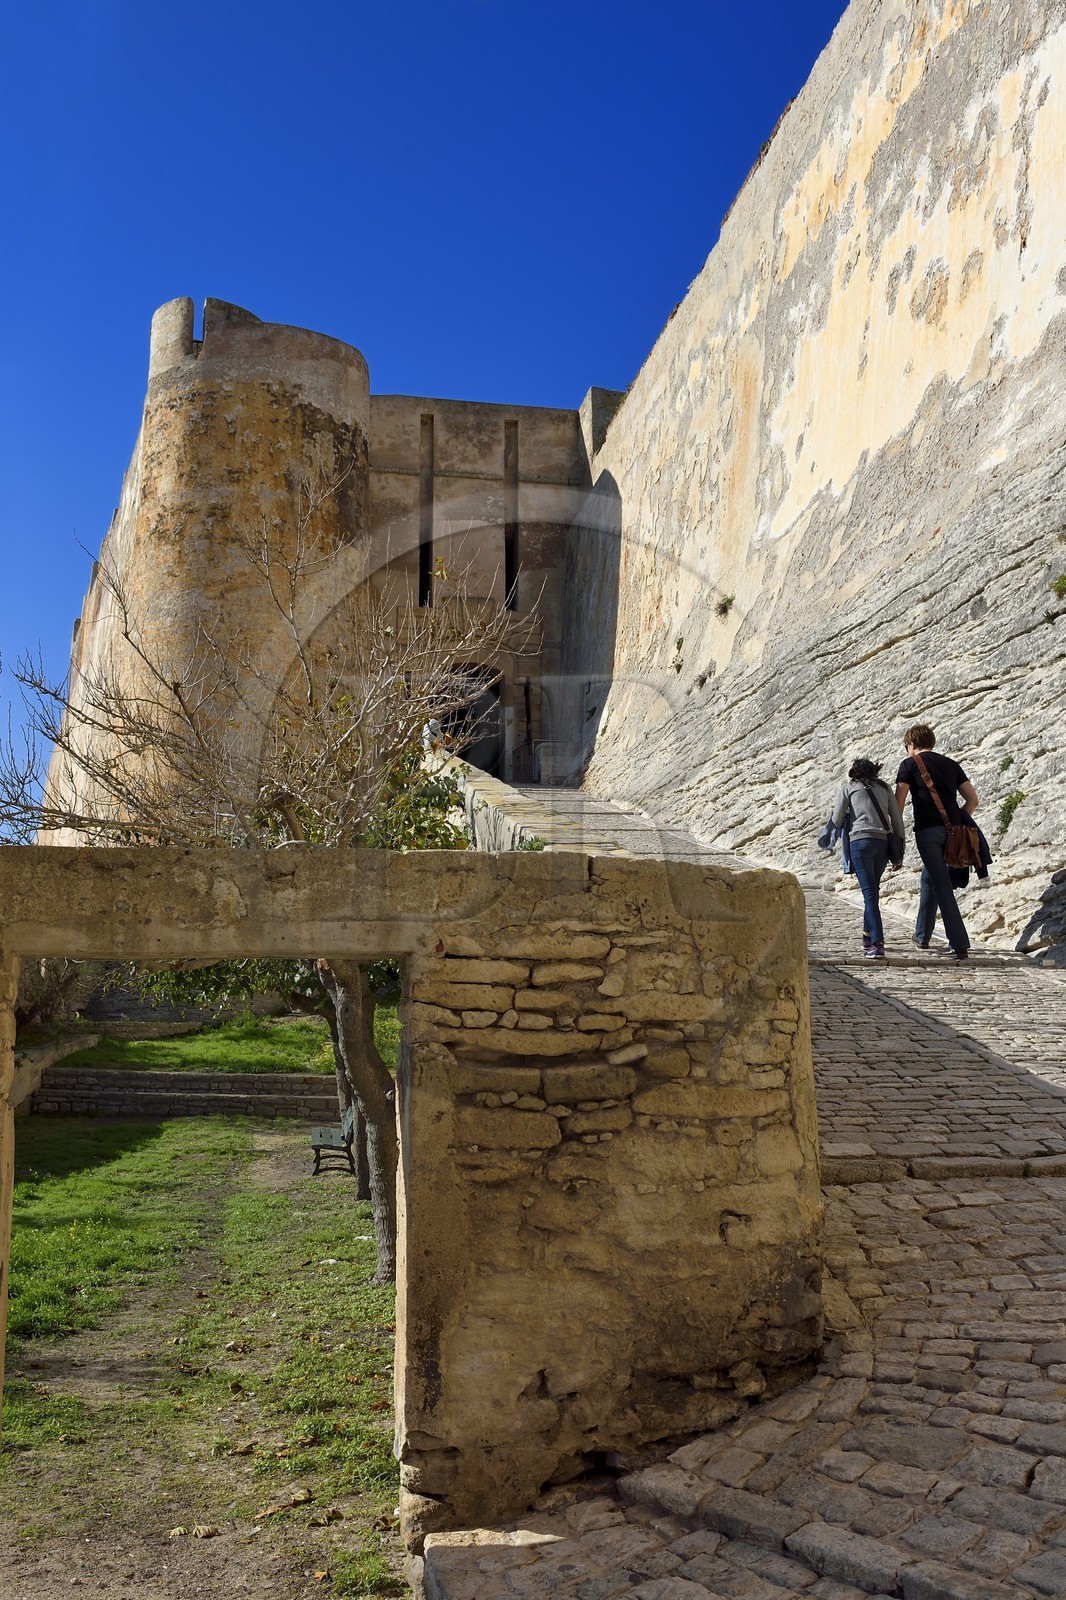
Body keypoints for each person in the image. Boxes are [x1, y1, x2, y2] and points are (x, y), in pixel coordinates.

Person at [895, 724, 979, 961]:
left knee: (941, 884)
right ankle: (922, 934)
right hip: (953, 832)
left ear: (912, 744)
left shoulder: (909, 764)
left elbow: (898, 804)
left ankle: (959, 943)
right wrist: (957, 819)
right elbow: (973, 800)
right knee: (929, 877)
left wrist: (896, 834)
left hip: (928, 832)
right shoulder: (952, 764)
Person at [831, 758, 905, 958]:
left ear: (854, 773)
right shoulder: (884, 788)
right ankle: (867, 936)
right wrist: (899, 852)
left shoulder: (848, 788)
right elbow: (897, 819)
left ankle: (877, 944)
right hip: (882, 844)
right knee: (872, 889)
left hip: (860, 843)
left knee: (869, 893)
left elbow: (836, 819)